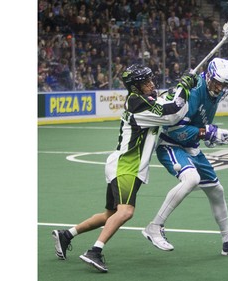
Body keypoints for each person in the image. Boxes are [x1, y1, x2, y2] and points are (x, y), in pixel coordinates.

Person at [52, 64, 198, 273]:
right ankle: (94, 251)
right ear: (135, 87)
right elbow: (172, 114)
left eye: (150, 80)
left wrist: (182, 88)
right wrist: (184, 87)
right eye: (145, 82)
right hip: (126, 167)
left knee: (110, 214)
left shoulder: (143, 100)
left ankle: (66, 235)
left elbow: (168, 104)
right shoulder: (138, 104)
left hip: (123, 166)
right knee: (126, 212)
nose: (150, 84)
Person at [142, 58, 228, 258]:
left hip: (191, 148)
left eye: (224, 85)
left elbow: (202, 126)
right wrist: (207, 133)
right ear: (209, 76)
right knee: (192, 179)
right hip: (171, 144)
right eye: (217, 83)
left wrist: (218, 136)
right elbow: (175, 128)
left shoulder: (214, 93)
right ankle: (154, 226)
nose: (219, 89)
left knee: (217, 190)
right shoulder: (193, 91)